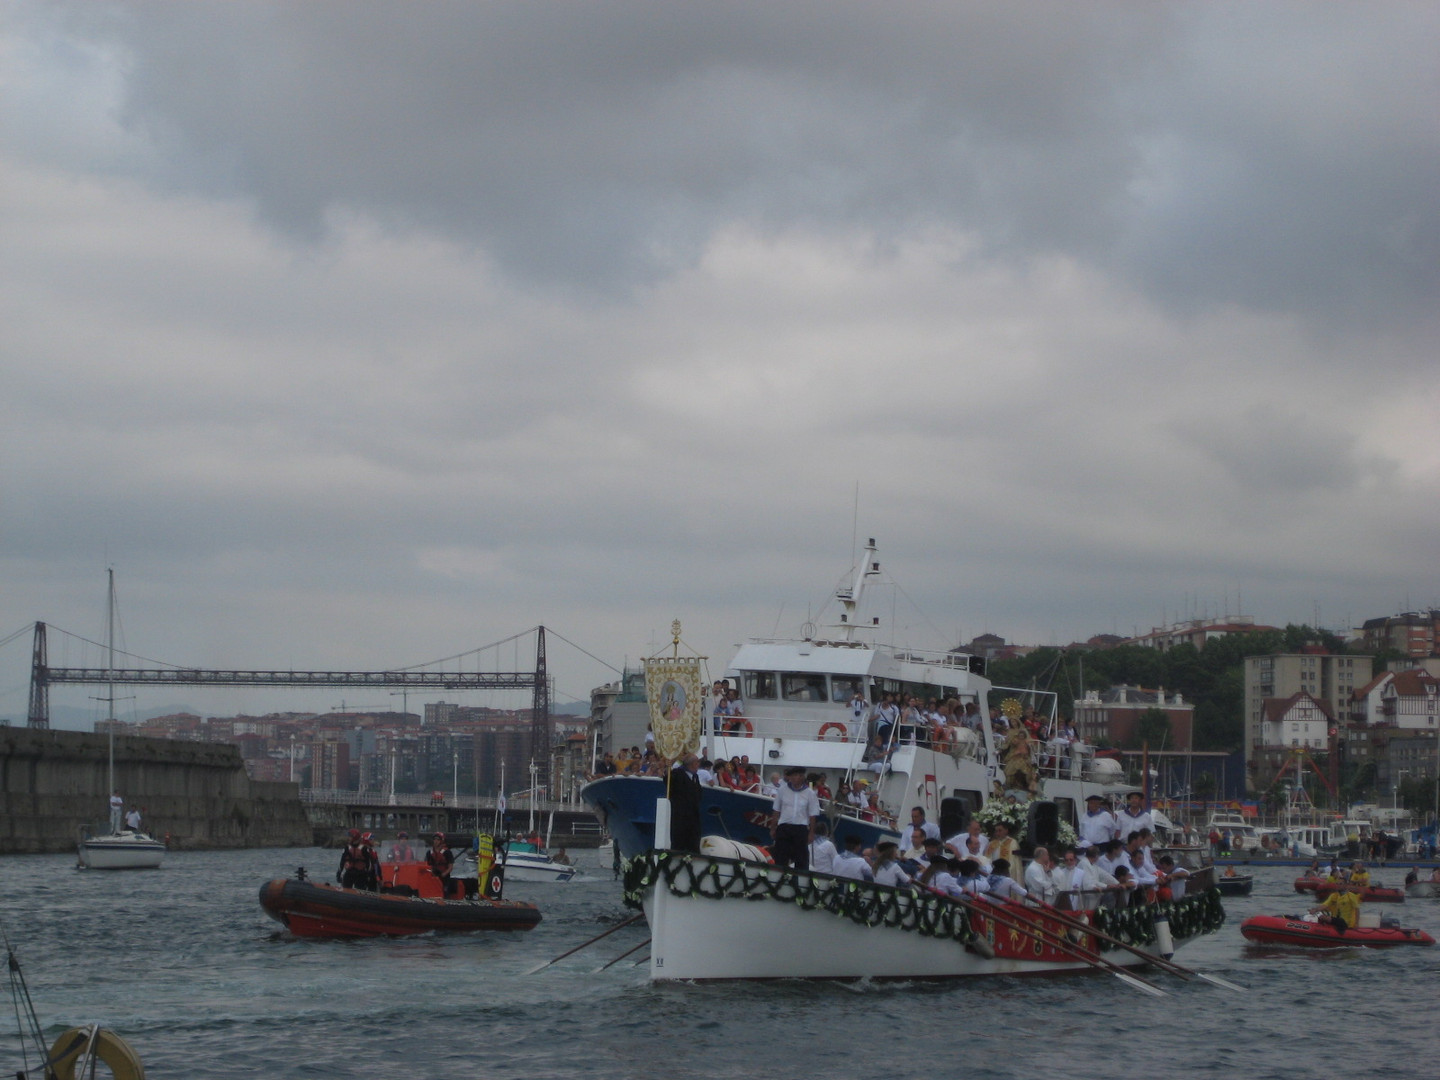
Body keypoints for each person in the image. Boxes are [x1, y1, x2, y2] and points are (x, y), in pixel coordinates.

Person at [769, 765, 820, 870]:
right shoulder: (782, 790)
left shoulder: (809, 793)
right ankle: (778, 880)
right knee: (780, 857)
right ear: (790, 777)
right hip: (784, 827)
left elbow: (813, 815)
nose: (796, 778)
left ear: (802, 777)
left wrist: (811, 833)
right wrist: (773, 828)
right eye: (794, 775)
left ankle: (800, 882)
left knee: (801, 858)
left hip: (800, 828)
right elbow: (776, 810)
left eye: (799, 776)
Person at [668, 753, 704, 853]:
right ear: (692, 764)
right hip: (681, 816)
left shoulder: (695, 777)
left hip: (693, 816)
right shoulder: (678, 773)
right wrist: (668, 768)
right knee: (679, 841)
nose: (698, 764)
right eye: (697, 762)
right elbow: (668, 780)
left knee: (693, 841)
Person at [426, 833, 455, 897]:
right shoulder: (429, 853)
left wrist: (444, 874)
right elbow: (427, 865)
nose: (436, 841)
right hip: (433, 876)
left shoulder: (447, 852)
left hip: (444, 876)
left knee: (445, 891)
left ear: (441, 841)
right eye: (434, 839)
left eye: (438, 840)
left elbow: (450, 866)